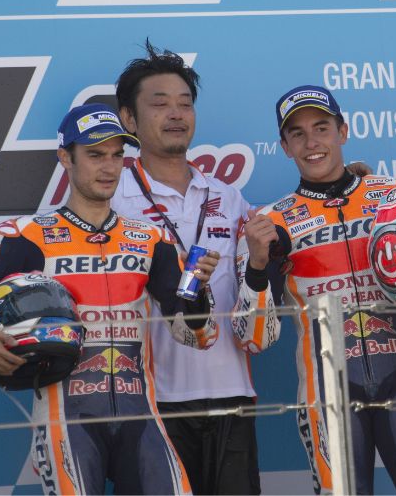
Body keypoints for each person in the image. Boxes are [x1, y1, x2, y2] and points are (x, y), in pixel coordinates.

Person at [0, 103, 221, 495]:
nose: (109, 167)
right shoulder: (25, 235)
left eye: (117, 155)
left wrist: (198, 296)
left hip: (141, 417)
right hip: (67, 423)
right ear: (65, 158)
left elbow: (194, 335)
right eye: (95, 155)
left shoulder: (150, 238)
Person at [233, 84, 396, 495]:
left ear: (343, 131)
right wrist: (256, 265)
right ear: (285, 146)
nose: (312, 143)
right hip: (328, 397)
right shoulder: (270, 224)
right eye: (298, 134)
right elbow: (253, 339)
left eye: (321, 128)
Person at [110, 41, 261, 495]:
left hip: (232, 396)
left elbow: (267, 271)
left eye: (185, 104)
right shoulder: (110, 197)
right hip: (149, 403)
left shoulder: (227, 195)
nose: (176, 114)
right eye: (160, 104)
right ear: (129, 120)